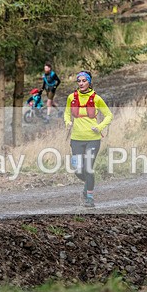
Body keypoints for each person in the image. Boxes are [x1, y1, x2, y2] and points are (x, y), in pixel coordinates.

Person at [63, 71, 113, 207]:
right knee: (78, 169)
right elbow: (67, 113)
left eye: (84, 81)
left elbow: (109, 115)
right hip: (76, 139)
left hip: (93, 139)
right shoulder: (71, 98)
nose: (81, 83)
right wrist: (68, 122)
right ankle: (88, 185)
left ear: (89, 82)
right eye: (79, 81)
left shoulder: (96, 98)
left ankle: (89, 197)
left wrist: (100, 126)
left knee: (89, 168)